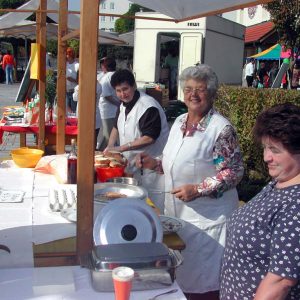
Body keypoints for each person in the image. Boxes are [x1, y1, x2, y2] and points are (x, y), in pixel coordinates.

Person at [136, 64, 244, 299]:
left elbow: (234, 172)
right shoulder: (180, 122)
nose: (193, 94)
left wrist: (198, 189)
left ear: (212, 94)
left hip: (208, 221)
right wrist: (153, 163)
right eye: (188, 89)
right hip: (180, 218)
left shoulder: (220, 129)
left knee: (205, 286)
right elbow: (174, 162)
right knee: (183, 281)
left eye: (201, 89)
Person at [220, 102, 300, 300]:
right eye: (265, 147)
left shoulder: (296, 205)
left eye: (275, 149)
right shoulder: (280, 183)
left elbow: (281, 281)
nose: (266, 157)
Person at [104, 69, 169, 211]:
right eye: (118, 91)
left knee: (153, 207)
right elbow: (116, 126)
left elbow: (149, 138)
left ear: (133, 86)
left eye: (125, 89)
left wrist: (122, 148)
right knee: (135, 207)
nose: (122, 94)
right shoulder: (122, 105)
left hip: (152, 167)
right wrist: (109, 147)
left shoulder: (147, 106)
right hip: (133, 166)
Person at [98, 57, 120, 150]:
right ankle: (100, 151)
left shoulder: (106, 77)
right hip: (113, 110)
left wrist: (118, 104)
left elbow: (106, 95)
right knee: (107, 135)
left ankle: (105, 154)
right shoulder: (116, 75)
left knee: (108, 136)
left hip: (107, 110)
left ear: (105, 66)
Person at [73, 81, 103, 149]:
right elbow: (75, 98)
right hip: (84, 115)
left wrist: (79, 87)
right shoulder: (79, 86)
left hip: (92, 115)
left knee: (91, 142)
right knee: (83, 141)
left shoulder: (97, 85)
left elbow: (76, 97)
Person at [66, 47, 79, 113]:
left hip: (73, 91)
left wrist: (72, 80)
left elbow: (79, 81)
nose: (66, 56)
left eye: (67, 54)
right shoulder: (65, 64)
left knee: (73, 111)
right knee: (66, 111)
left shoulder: (77, 65)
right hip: (65, 91)